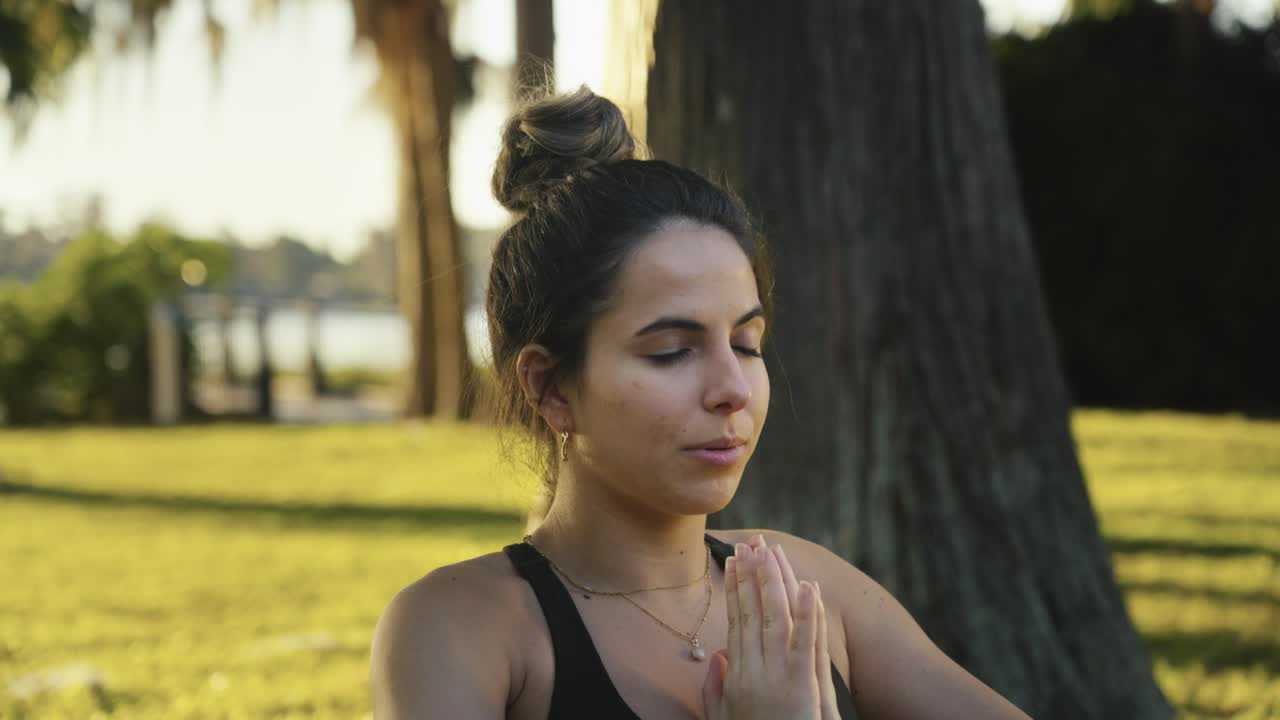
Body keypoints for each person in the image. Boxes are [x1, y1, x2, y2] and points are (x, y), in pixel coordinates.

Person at [370, 87, 1032, 720]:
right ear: (550, 387)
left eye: (746, 343)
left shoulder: (807, 589)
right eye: (671, 352)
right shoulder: (462, 629)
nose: (733, 388)